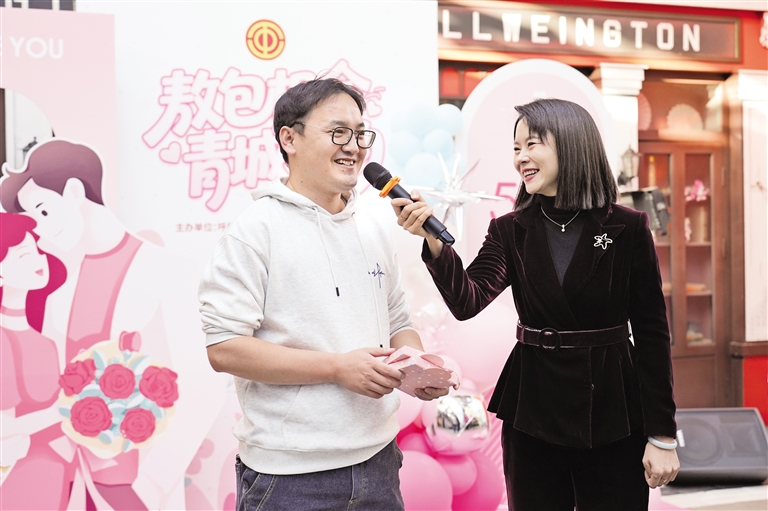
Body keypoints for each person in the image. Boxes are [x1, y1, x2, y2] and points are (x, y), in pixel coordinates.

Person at [393, 98, 680, 510]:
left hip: (614, 407)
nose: (520, 158)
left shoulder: (627, 227)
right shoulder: (510, 229)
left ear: (571, 143)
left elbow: (653, 335)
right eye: (515, 148)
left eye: (532, 144)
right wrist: (434, 241)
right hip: (533, 408)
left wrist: (662, 435)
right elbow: (468, 299)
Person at [198, 77, 448, 511]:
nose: (353, 147)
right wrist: (336, 368)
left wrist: (417, 368)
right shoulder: (255, 230)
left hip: (379, 461)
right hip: (289, 476)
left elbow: (398, 322)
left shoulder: (372, 227)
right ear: (289, 139)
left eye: (360, 134)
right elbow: (224, 348)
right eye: (338, 132)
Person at [0, 139, 217, 510]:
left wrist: (150, 486)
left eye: (44, 212)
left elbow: (203, 386)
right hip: (67, 483)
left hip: (139, 484)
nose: (43, 231)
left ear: (74, 191)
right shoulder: (55, 287)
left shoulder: (167, 270)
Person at [0, 212, 72, 510]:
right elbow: (4, 428)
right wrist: (67, 410)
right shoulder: (3, 339)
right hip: (19, 475)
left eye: (37, 250)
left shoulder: (45, 341)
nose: (39, 260)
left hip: (54, 470)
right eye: (24, 255)